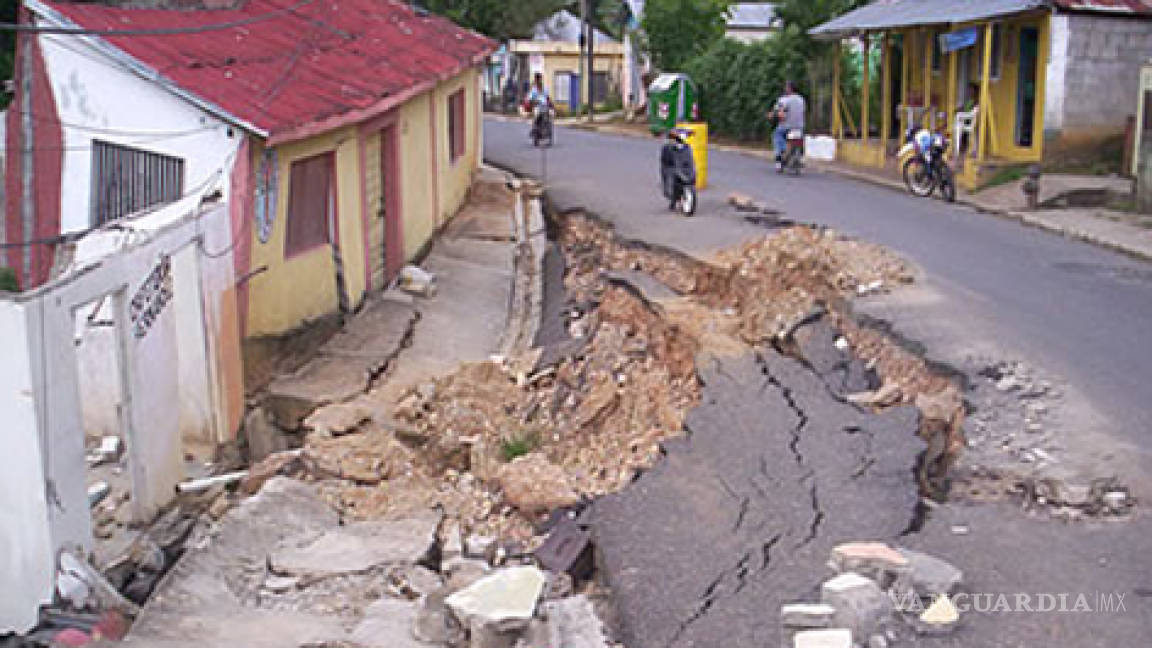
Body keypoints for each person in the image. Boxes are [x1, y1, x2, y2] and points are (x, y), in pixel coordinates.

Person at [771, 81, 806, 171]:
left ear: (789, 89)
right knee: (801, 139)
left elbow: (780, 113)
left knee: (777, 135)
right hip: (799, 127)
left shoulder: (784, 100)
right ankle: (801, 157)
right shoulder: (801, 99)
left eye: (786, 87)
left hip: (787, 126)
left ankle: (779, 157)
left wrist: (774, 115)